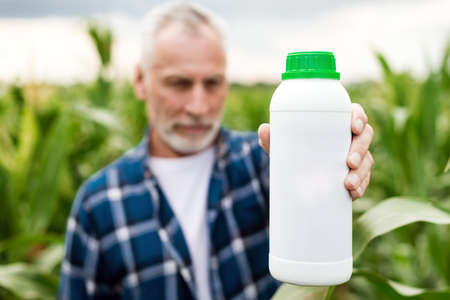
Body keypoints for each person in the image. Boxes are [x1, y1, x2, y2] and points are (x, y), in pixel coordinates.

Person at [59, 2, 374, 300]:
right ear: (141, 80)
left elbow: (318, 195)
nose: (199, 106)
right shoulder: (98, 205)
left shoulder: (264, 162)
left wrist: (340, 144)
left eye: (212, 83)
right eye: (179, 83)